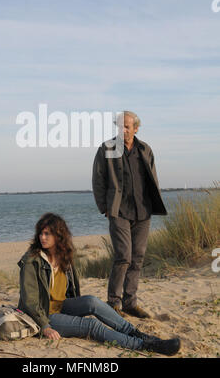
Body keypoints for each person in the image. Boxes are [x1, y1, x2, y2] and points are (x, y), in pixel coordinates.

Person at [17, 212, 180, 356]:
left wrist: (76, 308)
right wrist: (45, 326)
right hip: (43, 316)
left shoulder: (63, 256)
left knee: (92, 301)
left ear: (58, 235)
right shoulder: (32, 260)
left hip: (59, 306)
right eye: (41, 233)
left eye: (47, 234)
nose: (42, 237)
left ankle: (137, 334)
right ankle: (144, 345)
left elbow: (70, 292)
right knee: (91, 325)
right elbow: (30, 300)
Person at [92, 111, 167, 319]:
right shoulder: (106, 149)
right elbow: (98, 180)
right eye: (119, 126)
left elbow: (153, 178)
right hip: (119, 211)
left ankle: (130, 303)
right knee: (123, 256)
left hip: (143, 211)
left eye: (126, 126)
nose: (123, 130)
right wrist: (104, 207)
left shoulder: (145, 149)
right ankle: (113, 303)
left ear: (136, 128)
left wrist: (153, 203)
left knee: (137, 258)